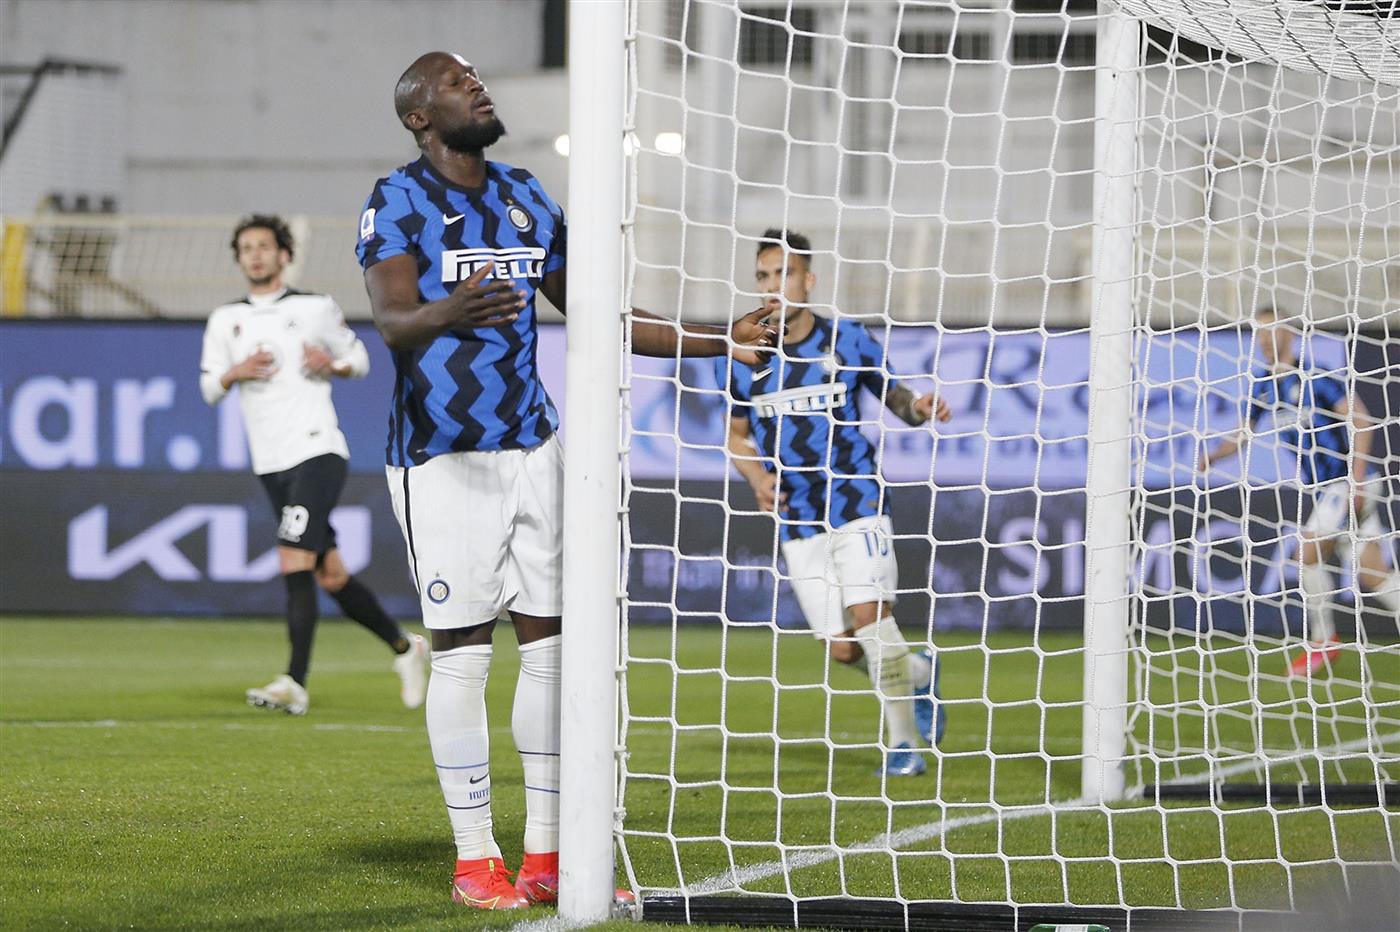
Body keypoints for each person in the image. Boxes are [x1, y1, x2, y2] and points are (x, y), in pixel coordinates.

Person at [355, 52, 773, 910]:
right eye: (453, 81)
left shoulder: (524, 193)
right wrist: (451, 309)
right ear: (418, 117)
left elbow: (600, 308)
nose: (475, 84)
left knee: (549, 649)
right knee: (464, 657)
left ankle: (548, 856)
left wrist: (716, 339)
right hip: (442, 455)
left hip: (535, 448)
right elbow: (394, 322)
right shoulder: (395, 199)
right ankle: (477, 859)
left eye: (476, 75)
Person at [718, 229, 952, 777]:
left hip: (856, 496)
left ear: (808, 279)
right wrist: (755, 478)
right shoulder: (746, 352)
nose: (773, 285)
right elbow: (735, 435)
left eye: (784, 273)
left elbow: (896, 399)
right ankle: (920, 675)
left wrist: (919, 406)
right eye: (763, 276)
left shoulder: (847, 338)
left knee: (873, 620)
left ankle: (902, 748)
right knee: (846, 650)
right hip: (798, 514)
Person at [200, 214, 429, 716]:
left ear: (284, 254)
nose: (255, 254)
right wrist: (235, 372)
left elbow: (360, 359)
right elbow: (209, 387)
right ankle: (405, 647)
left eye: (264, 246)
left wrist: (334, 364)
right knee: (331, 574)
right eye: (246, 248)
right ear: (239, 259)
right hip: (270, 461)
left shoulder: (314, 308)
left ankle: (294, 683)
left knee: (292, 558)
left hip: (317, 449)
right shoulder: (225, 320)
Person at [1200, 305, 1399, 676]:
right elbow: (1243, 434)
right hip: (1330, 490)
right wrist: (1214, 456)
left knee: (1305, 553)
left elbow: (1362, 420)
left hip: (1345, 481)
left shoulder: (1316, 378)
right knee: (1374, 574)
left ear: (1290, 333)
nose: (1263, 340)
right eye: (1258, 333)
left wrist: (1356, 478)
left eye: (1270, 331)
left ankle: (1324, 641)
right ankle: (1325, 641)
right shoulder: (1263, 385)